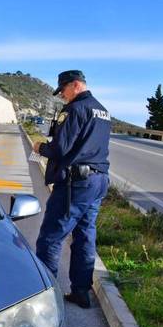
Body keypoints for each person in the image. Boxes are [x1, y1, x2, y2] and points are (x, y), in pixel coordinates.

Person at [31, 70, 111, 309]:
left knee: (51, 238)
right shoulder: (103, 111)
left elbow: (60, 150)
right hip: (98, 182)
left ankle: (45, 297)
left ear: (75, 85)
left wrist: (40, 147)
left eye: (64, 90)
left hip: (75, 185)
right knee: (85, 237)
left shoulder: (75, 110)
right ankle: (81, 292)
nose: (63, 96)